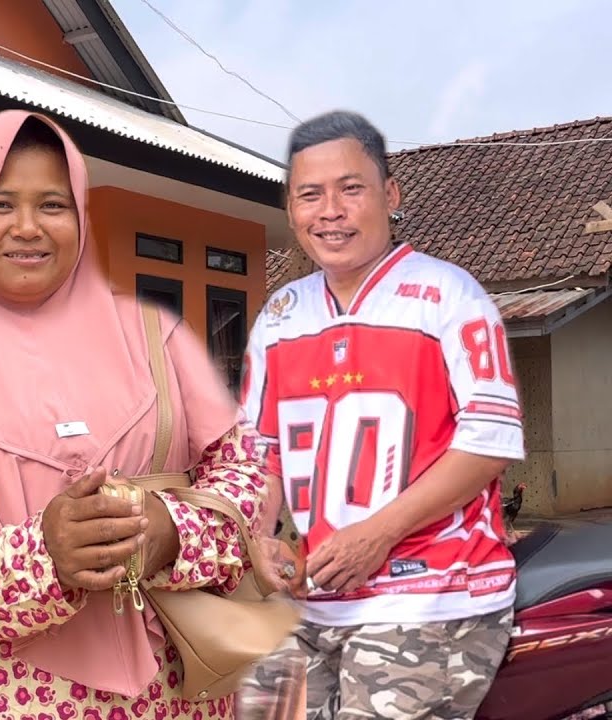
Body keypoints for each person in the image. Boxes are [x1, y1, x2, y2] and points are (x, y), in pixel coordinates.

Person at [0, 109, 279, 720]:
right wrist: (40, 555)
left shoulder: (155, 338)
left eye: (52, 204)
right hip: (6, 702)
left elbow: (248, 472)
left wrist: (173, 532)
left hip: (178, 696)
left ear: (79, 215)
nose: (27, 228)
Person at [238, 111, 524, 718]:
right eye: (310, 195)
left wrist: (378, 533)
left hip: (434, 594)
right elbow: (261, 452)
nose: (331, 212)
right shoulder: (280, 316)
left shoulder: (449, 295)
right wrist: (258, 537)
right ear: (290, 210)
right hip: (316, 597)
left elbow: (489, 441)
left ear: (390, 195)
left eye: (351, 189)